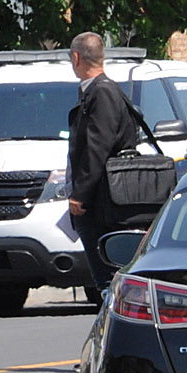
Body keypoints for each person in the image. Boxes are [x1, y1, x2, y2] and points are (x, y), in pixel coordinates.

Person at [64, 33, 133, 299]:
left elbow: (97, 147)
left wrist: (80, 195)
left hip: (103, 201)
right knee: (107, 279)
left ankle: (110, 337)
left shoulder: (101, 92)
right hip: (103, 198)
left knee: (107, 282)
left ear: (76, 58)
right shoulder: (103, 89)